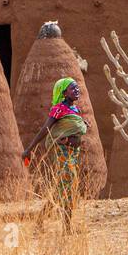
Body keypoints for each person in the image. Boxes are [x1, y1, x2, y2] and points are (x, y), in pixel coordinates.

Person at [22, 77, 88, 231]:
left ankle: (42, 221)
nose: (76, 90)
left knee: (64, 188)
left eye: (77, 87)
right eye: (72, 88)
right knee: (66, 187)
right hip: (61, 151)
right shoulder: (59, 108)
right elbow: (46, 128)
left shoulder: (75, 110)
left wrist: (82, 124)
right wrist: (29, 148)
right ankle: (66, 228)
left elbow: (73, 125)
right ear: (64, 92)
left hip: (73, 152)